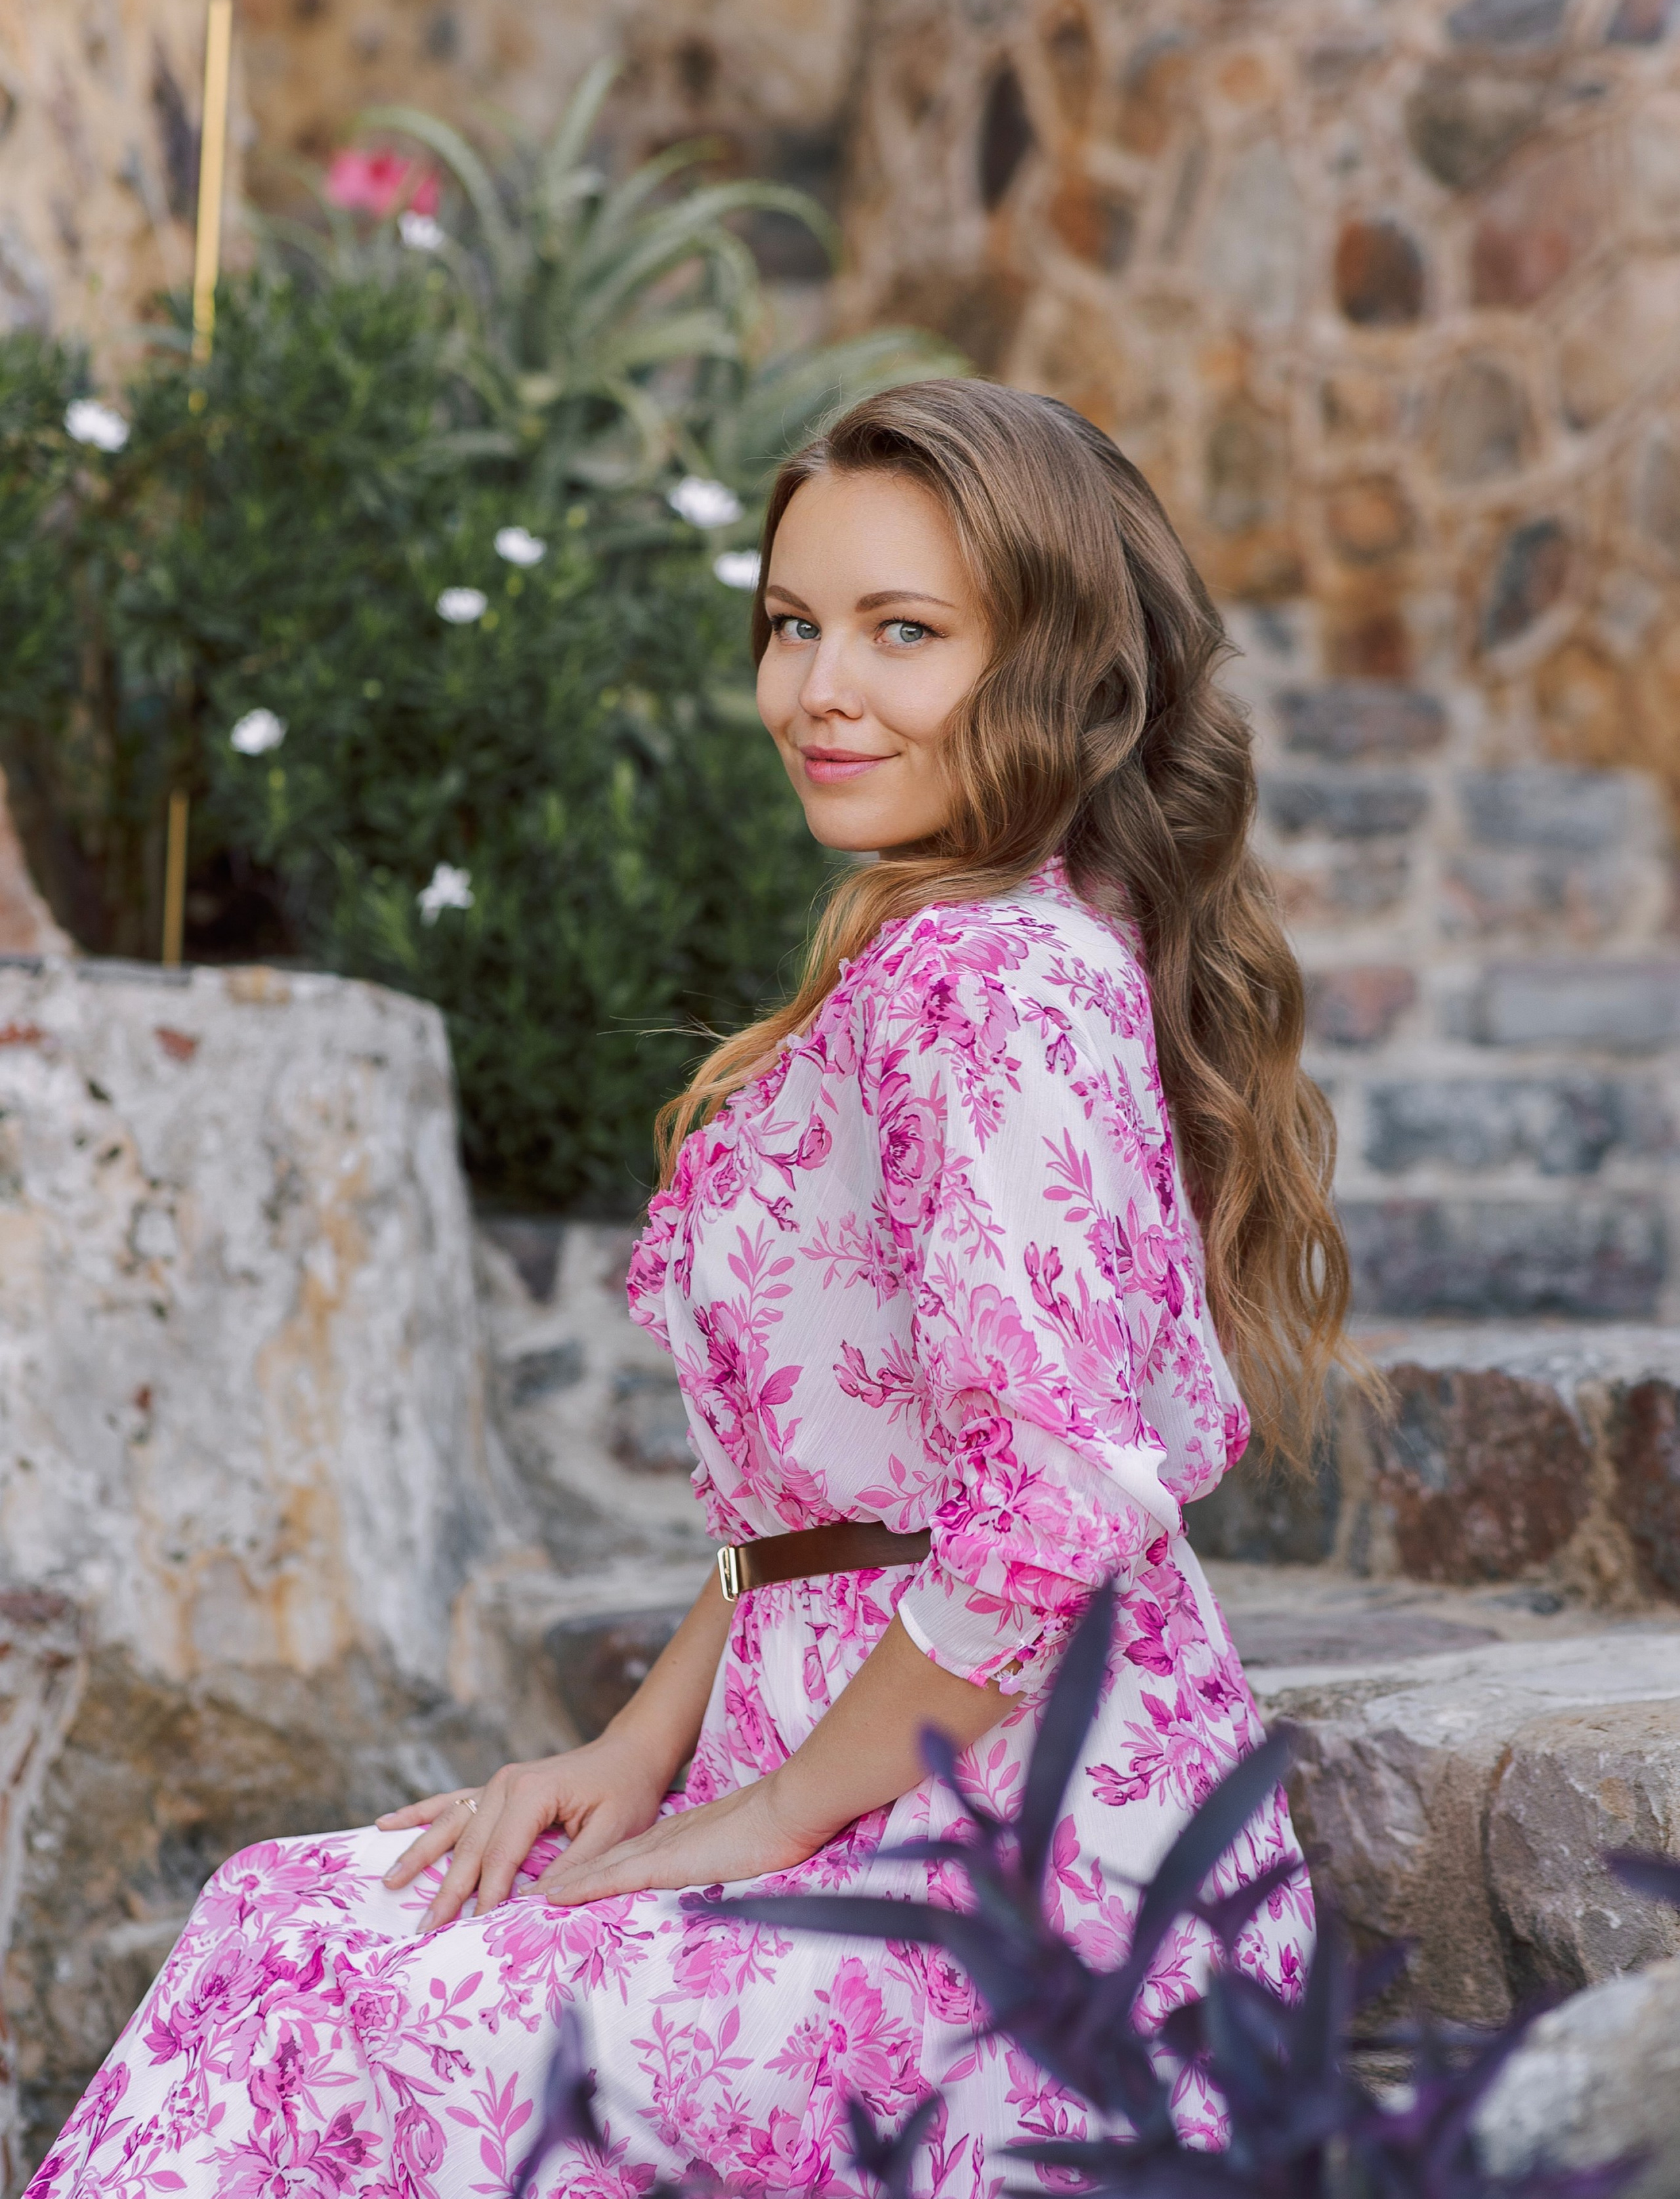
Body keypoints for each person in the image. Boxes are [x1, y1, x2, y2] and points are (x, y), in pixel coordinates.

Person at [30, 380, 1353, 2199]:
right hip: (851, 1752)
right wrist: (639, 1749)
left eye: (904, 633)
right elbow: (825, 1514)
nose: (820, 689)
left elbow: (1053, 1498)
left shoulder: (992, 981)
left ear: (1048, 664)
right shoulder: (946, 947)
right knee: (289, 1916)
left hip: (1014, 1873)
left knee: (359, 1991)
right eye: (795, 625)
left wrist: (769, 1812)